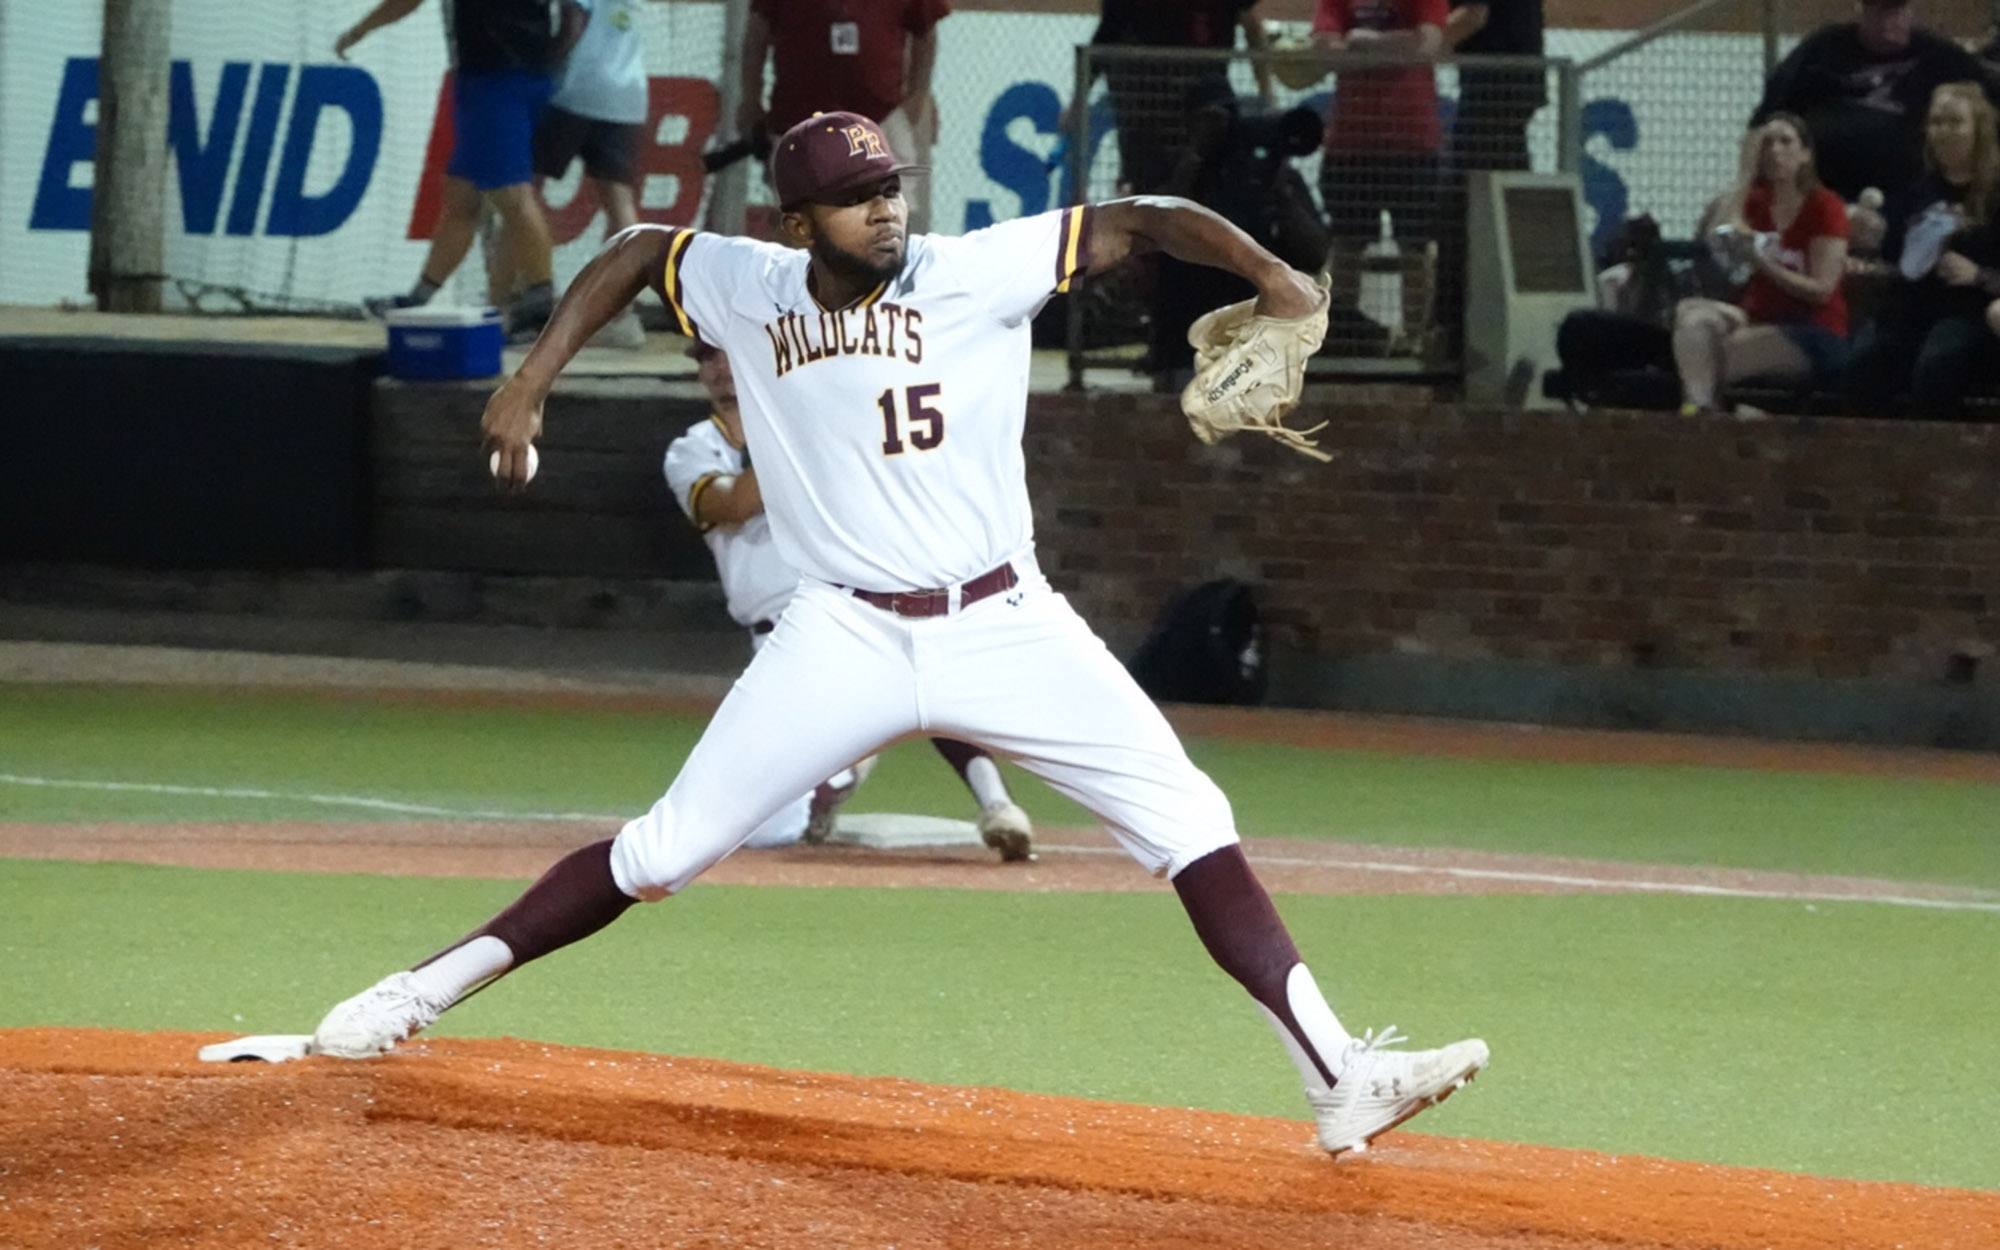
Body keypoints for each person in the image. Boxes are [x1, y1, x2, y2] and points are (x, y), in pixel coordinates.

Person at [309, 110, 1489, 1159]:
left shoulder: (974, 270)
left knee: (1191, 818)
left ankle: (1338, 1076)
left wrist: (1275, 276)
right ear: (797, 222)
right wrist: (531, 378)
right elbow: (632, 251)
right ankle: (413, 993)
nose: (885, 209)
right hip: (840, 635)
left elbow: (1143, 216)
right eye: (855, 197)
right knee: (659, 855)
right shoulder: (747, 283)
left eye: (889, 187)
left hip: (1007, 620)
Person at [666, 339, 1035, 858]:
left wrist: (823, 427)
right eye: (707, 356)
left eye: (728, 350)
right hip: (777, 640)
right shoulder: (694, 448)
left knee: (931, 675)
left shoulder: (812, 418)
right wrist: (815, 436)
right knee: (759, 831)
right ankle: (843, 764)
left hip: (845, 606)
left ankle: (996, 803)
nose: (720, 365)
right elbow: (729, 505)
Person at [339, 0, 585, 339]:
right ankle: (419, 297)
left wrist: (359, 30)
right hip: (521, 74)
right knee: (462, 195)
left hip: (495, 80)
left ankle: (542, 306)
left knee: (511, 194)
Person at [1672, 115, 1851, 414]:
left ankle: (1705, 417)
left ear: (1805, 154)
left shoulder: (1824, 205)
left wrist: (1763, 263)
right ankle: (1699, 412)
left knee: (1710, 358)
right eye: (1766, 143)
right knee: (1692, 316)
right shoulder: (1756, 201)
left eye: (1785, 142)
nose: (1774, 150)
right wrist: (1745, 176)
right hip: (1757, 316)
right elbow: (1715, 238)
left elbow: (1821, 290)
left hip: (1812, 328)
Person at [1845, 82, 2000, 416]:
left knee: (1936, 366)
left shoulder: (1994, 193)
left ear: (1979, 129)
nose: (1943, 131)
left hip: (1971, 311)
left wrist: (1978, 274)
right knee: (1863, 363)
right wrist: (1867, 242)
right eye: (1936, 122)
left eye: (1955, 122)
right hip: (1913, 306)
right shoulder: (1917, 190)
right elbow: (1893, 259)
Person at [1752, 0, 1996, 204]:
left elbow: (1991, 102)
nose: (1887, 24)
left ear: (1911, 12)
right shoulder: (1821, 48)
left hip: (1910, 200)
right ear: (1860, 10)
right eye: (1878, 13)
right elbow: (1764, 121)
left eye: (1896, 13)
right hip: (1818, 196)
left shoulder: (1941, 57)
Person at [737, 0, 949, 233]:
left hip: (882, 117)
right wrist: (751, 98)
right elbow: (757, 33)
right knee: (799, 220)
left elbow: (926, 32)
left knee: (889, 217)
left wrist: (919, 94)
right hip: (798, 120)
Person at [1310, 0, 1449, 349]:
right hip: (1351, 145)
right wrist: (1395, 47)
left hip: (1413, 143)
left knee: (1415, 248)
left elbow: (1426, 46)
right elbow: (1325, 52)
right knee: (1347, 246)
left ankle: (1413, 341)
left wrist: (1362, 42)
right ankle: (1343, 338)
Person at [530, 0, 649, 347]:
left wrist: (545, 63)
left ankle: (528, 302)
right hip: (627, 96)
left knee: (524, 194)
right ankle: (622, 316)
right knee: (620, 204)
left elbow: (573, 26)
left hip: (575, 92)